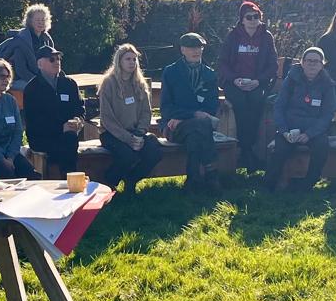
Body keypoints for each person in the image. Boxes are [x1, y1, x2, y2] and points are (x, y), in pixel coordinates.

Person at [264, 47, 336, 192]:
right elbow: (279, 106)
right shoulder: (291, 80)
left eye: (316, 61)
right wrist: (284, 131)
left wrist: (309, 134)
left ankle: (308, 184)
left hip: (314, 131)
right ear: (302, 63)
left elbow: (327, 114)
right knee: (279, 150)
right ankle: (269, 185)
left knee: (321, 148)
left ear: (322, 65)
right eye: (309, 60)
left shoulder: (328, 85)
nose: (312, 64)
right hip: (289, 129)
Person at [216, 1, 278, 171]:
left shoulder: (266, 37)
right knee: (240, 104)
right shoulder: (233, 36)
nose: (252, 20)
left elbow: (273, 65)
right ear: (242, 20)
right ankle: (245, 149)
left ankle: (248, 149)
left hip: (257, 82)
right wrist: (235, 79)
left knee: (257, 103)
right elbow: (222, 63)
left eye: (256, 16)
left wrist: (258, 81)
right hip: (235, 83)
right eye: (248, 17)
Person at [159, 32, 221, 191]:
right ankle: (211, 175)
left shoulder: (210, 74)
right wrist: (192, 115)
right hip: (173, 126)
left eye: (199, 47)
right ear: (182, 50)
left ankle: (194, 181)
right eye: (191, 47)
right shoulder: (170, 72)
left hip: (195, 126)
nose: (196, 51)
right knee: (200, 125)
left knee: (195, 134)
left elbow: (212, 107)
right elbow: (166, 107)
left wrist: (185, 118)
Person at [97, 43, 162, 194]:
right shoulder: (109, 83)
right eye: (128, 59)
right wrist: (127, 138)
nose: (132, 62)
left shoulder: (140, 84)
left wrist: (139, 134)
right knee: (128, 156)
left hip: (136, 133)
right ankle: (109, 182)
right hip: (112, 134)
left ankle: (131, 180)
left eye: (134, 59)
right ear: (119, 61)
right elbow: (107, 118)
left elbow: (146, 112)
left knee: (155, 151)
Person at [22, 44, 86, 178]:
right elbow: (34, 121)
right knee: (68, 141)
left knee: (69, 138)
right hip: (42, 137)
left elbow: (80, 108)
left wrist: (78, 120)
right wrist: (60, 128)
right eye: (52, 59)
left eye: (58, 59)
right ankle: (69, 178)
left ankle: (69, 178)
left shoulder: (69, 84)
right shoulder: (32, 89)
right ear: (40, 64)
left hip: (68, 134)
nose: (57, 62)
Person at [0, 4, 55, 91]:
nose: (41, 22)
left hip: (40, 78)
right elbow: (21, 70)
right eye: (37, 20)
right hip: (18, 80)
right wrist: (39, 81)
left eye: (43, 19)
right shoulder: (21, 41)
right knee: (40, 89)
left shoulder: (47, 40)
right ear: (30, 21)